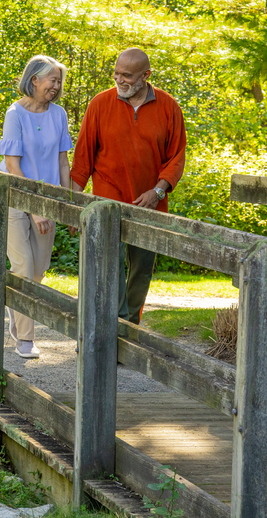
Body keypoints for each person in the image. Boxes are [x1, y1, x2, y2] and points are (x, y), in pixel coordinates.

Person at [70, 47, 187, 325]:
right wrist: (75, 203)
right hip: (107, 200)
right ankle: (116, 326)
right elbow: (82, 158)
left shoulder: (168, 106)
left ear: (146, 76)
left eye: (127, 75)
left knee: (142, 269)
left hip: (151, 203)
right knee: (110, 266)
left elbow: (176, 157)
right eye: (116, 73)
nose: (119, 80)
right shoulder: (100, 104)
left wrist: (158, 191)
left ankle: (129, 325)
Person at [0, 55, 74, 359]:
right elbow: (13, 165)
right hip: (16, 198)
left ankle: (17, 314)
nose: (56, 86)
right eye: (52, 80)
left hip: (49, 200)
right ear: (34, 80)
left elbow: (62, 162)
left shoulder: (59, 114)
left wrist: (67, 206)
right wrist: (34, 209)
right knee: (24, 266)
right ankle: (25, 338)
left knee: (38, 270)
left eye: (59, 81)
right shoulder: (15, 113)